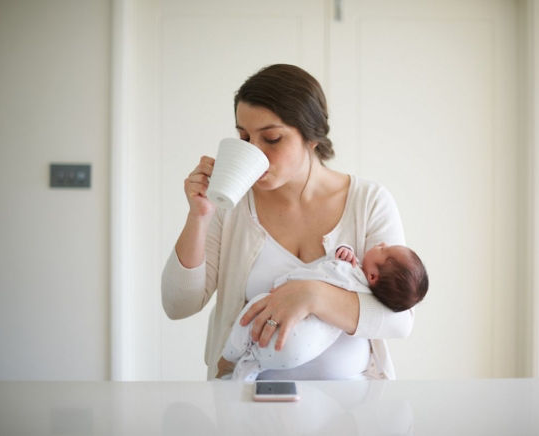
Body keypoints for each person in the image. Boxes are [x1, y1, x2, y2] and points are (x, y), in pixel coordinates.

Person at [162, 63, 415, 380]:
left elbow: (399, 319)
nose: (254, 151)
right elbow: (178, 304)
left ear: (312, 138)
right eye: (244, 137)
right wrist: (198, 216)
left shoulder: (369, 201)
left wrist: (312, 296)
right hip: (244, 409)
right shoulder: (233, 205)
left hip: (351, 413)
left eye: (271, 138)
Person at [221, 243, 429, 380]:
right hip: (286, 359)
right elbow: (330, 265)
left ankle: (236, 353)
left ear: (373, 277)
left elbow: (401, 321)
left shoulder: (360, 285)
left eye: (384, 251)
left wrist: (312, 294)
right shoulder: (358, 273)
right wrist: (344, 251)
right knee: (260, 321)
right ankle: (241, 358)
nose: (381, 244)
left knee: (259, 319)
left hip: (308, 343)